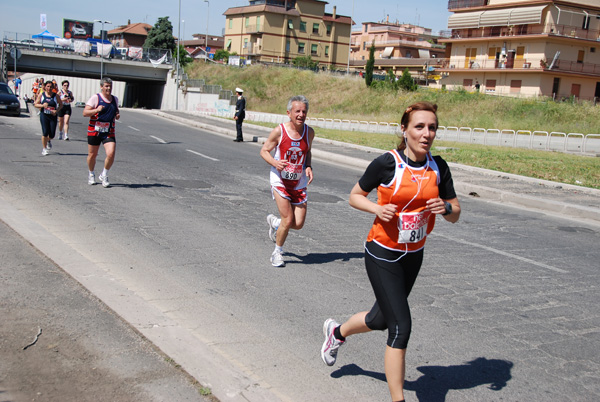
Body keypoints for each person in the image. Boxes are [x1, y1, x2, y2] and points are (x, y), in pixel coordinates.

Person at [320, 102, 461, 402]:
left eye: (432, 127)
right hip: (382, 251)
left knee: (380, 319)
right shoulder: (388, 163)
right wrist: (377, 208)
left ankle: (337, 332)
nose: (426, 134)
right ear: (404, 129)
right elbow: (355, 196)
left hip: (414, 254)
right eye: (419, 127)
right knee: (400, 327)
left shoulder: (439, 167)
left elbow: (456, 211)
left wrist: (446, 207)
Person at [260, 95, 314, 267]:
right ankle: (277, 252)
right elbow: (264, 151)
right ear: (288, 113)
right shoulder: (279, 131)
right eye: (297, 111)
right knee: (288, 219)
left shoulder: (309, 132)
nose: (301, 114)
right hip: (280, 180)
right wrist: (275, 163)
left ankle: (276, 223)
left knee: (298, 224)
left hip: (298, 181)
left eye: (304, 111)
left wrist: (308, 166)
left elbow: (308, 152)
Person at [83, 77, 120, 188]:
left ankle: (104, 174)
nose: (109, 88)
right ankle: (91, 173)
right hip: (94, 130)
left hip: (108, 131)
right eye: (106, 86)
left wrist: (117, 115)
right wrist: (96, 110)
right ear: (101, 87)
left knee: (111, 153)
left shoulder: (115, 99)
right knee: (92, 155)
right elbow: (85, 113)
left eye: (110, 86)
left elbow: (116, 111)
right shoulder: (96, 98)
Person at [34, 80, 63, 156]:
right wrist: (43, 105)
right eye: (48, 86)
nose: (49, 88)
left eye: (50, 87)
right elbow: (36, 104)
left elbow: (61, 105)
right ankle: (44, 148)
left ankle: (49, 141)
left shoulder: (56, 96)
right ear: (45, 87)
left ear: (53, 88)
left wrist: (56, 111)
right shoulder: (42, 95)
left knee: (52, 134)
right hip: (44, 115)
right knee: (45, 132)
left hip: (52, 116)